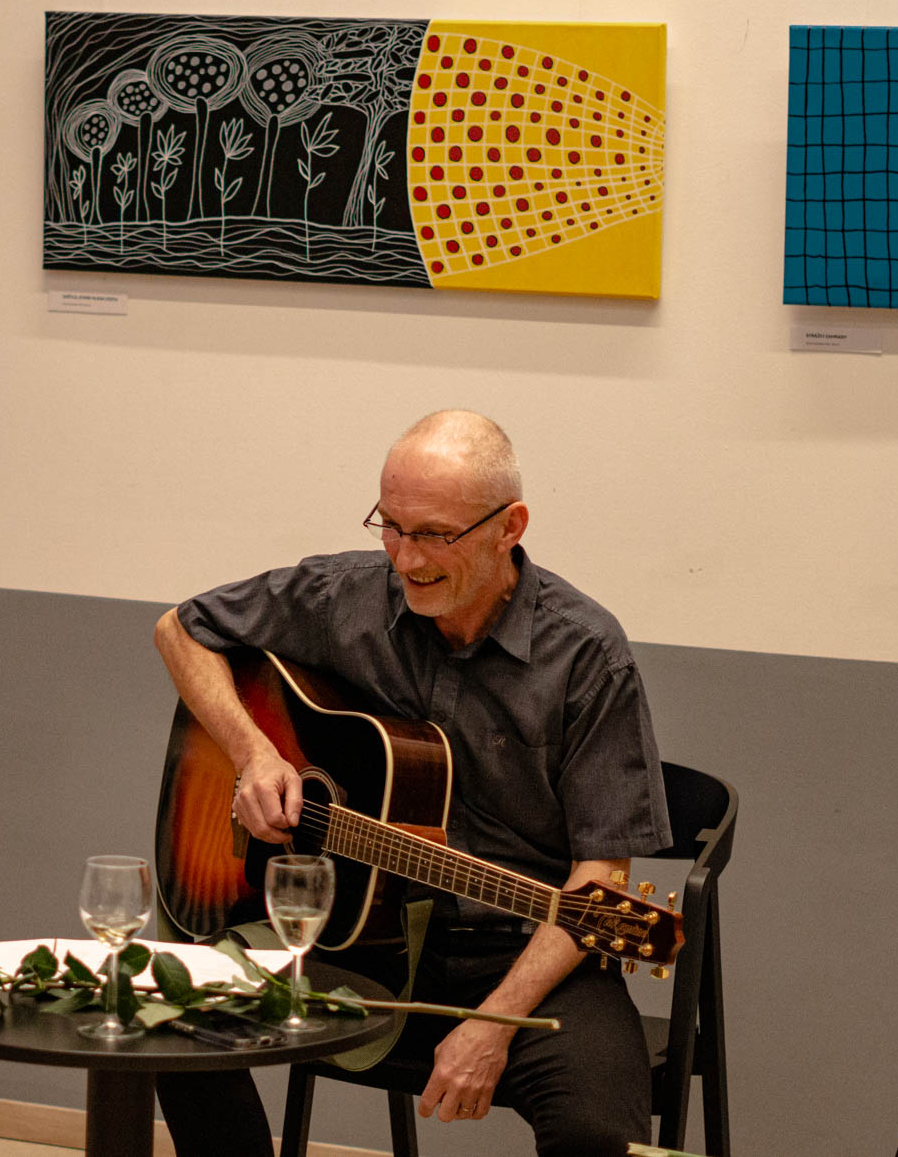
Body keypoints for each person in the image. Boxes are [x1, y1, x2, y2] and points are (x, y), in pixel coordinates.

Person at [151, 411, 670, 1157]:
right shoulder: (343, 595)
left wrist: (493, 1025)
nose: (405, 557)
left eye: (433, 534)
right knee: (169, 1012)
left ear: (510, 526)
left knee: (598, 1137)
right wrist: (254, 754)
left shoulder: (587, 654)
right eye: (389, 526)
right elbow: (180, 629)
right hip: (350, 941)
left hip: (529, 950)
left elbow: (601, 876)